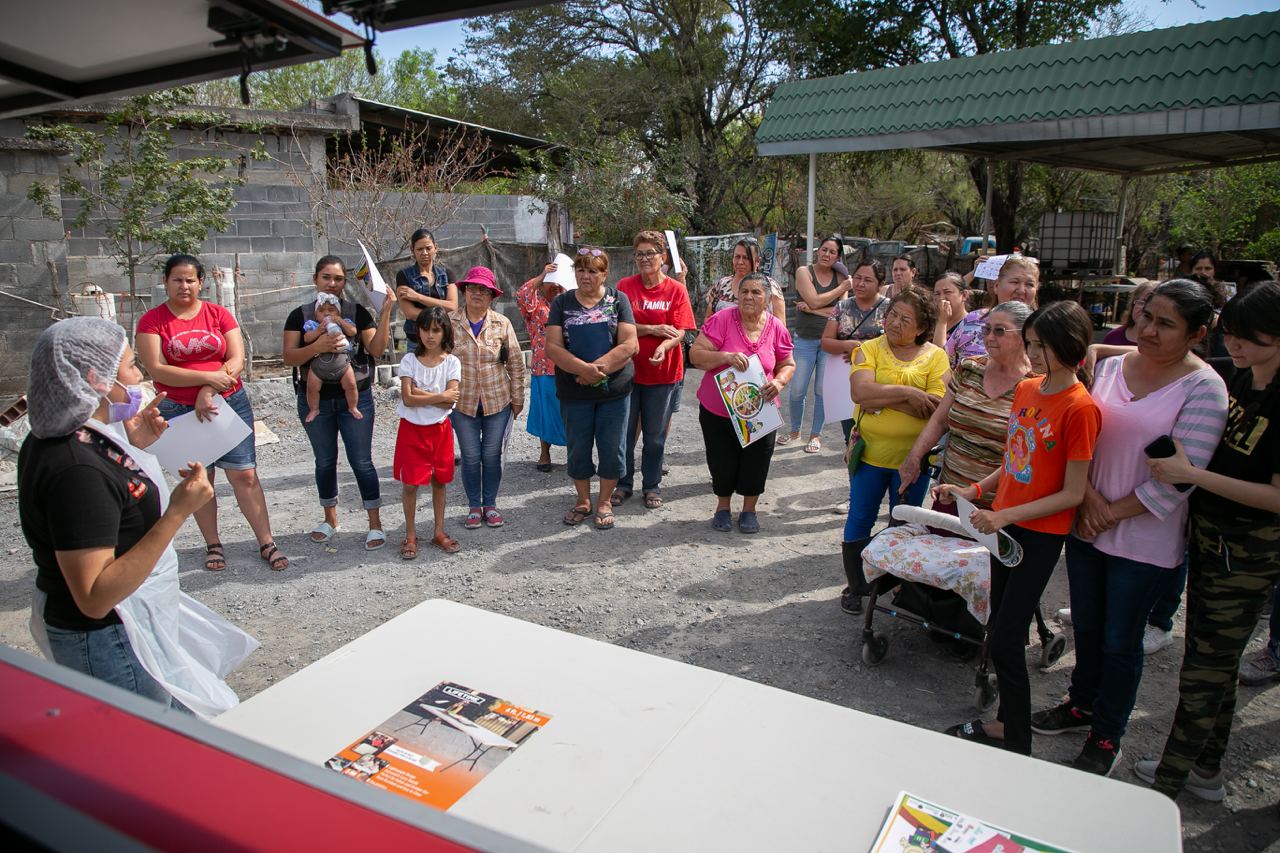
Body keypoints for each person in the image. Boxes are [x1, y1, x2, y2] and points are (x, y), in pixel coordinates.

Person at [1029, 280, 1228, 777]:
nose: (1148, 330)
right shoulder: (1113, 368)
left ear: (1198, 333)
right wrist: (1089, 499)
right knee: (1089, 629)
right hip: (1088, 523)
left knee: (1122, 640)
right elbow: (1085, 442)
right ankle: (1080, 705)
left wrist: (1107, 513)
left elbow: (1179, 479)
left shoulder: (1204, 388)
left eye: (1166, 324)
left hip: (1144, 538)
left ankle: (1106, 733)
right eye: (1146, 316)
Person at [18, 317, 257, 716]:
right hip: (109, 637)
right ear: (98, 380)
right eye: (131, 366)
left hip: (128, 624)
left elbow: (117, 502)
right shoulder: (75, 469)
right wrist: (179, 512)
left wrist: (139, 446)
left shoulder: (83, 433)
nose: (139, 376)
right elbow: (94, 596)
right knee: (149, 749)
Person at [938, 300, 1102, 757]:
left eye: (1041, 346)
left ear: (1070, 347)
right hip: (1004, 526)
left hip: (1038, 536)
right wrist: (972, 487)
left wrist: (1005, 515)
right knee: (998, 629)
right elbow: (1014, 460)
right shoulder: (1028, 390)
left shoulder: (1080, 408)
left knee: (1009, 639)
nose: (1034, 353)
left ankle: (1017, 740)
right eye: (1030, 344)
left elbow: (1072, 493)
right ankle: (1004, 725)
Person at [1138, 281, 1280, 801]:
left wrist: (1189, 475)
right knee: (1212, 662)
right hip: (1211, 540)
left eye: (1251, 338)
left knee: (1202, 672)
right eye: (1233, 334)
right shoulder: (1242, 380)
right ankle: (1207, 769)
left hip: (1246, 554)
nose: (1237, 346)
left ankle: (1169, 781)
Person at [136, 254, 287, 572]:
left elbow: (236, 359)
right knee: (202, 479)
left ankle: (266, 541)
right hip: (178, 409)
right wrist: (207, 378)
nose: (184, 285)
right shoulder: (153, 321)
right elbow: (157, 369)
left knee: (244, 474)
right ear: (166, 282)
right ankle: (213, 544)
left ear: (201, 282)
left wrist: (210, 391)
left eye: (190, 279)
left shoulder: (218, 314)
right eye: (177, 279)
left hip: (228, 403)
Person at [840, 287, 950, 613]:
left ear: (921, 328)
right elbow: (860, 392)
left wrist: (883, 399)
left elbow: (935, 408)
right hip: (871, 455)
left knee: (902, 524)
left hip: (914, 460)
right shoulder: (868, 348)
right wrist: (908, 394)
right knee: (860, 518)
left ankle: (895, 583)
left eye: (906, 319)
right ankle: (857, 587)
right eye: (892, 315)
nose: (895, 322)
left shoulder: (937, 356)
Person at [283, 255, 398, 550]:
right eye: (326, 278)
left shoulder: (356, 313)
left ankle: (375, 524)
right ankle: (330, 520)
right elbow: (289, 357)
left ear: (344, 282)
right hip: (315, 398)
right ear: (315, 280)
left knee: (362, 462)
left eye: (337, 279)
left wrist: (385, 311)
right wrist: (317, 347)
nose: (332, 284)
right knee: (324, 462)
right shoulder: (301, 315)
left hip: (355, 396)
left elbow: (375, 348)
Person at [899, 300, 1034, 514]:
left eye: (1000, 331)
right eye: (987, 329)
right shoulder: (969, 367)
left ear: (1025, 335)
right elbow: (940, 420)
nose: (989, 337)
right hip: (950, 496)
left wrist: (976, 490)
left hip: (1000, 508)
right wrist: (914, 456)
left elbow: (1027, 456)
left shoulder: (1036, 384)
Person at [689, 273, 795, 533]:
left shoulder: (776, 327)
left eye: (756, 292)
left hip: (761, 411)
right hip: (718, 409)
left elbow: (788, 364)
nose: (748, 297)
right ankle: (722, 507)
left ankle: (749, 510)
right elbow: (696, 354)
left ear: (768, 299)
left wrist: (780, 382)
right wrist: (725, 356)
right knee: (721, 459)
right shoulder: (722, 320)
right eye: (744, 291)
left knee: (757, 461)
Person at [545, 248, 639, 530]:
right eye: (581, 270)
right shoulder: (561, 303)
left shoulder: (618, 299)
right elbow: (553, 346)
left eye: (593, 271)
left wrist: (596, 370)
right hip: (575, 392)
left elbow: (629, 344)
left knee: (613, 448)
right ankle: (584, 501)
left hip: (614, 391)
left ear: (604, 274)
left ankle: (605, 501)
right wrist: (581, 370)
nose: (586, 276)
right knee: (578, 448)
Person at [615, 231, 697, 509]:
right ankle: (623, 484)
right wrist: (652, 329)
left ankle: (651, 485)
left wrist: (664, 346)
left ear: (663, 257)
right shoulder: (625, 286)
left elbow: (682, 330)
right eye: (640, 254)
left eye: (651, 253)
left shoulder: (676, 289)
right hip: (628, 372)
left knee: (654, 435)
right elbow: (618, 325)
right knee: (624, 433)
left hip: (664, 374)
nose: (645, 259)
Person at [449, 266, 526, 530]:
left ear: (492, 296)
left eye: (483, 290)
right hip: (463, 404)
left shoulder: (501, 324)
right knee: (470, 457)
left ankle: (490, 505)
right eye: (472, 288)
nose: (477, 294)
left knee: (492, 455)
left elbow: (516, 363)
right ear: (464, 292)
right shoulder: (450, 323)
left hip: (498, 401)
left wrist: (518, 399)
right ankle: (473, 506)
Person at [395, 308, 462, 559]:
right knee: (411, 484)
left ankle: (438, 531)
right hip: (412, 430)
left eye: (436, 329)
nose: (430, 335)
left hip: (439, 430)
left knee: (440, 481)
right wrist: (438, 395)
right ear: (418, 330)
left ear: (444, 331)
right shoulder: (409, 361)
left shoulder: (452, 362)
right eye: (425, 329)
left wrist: (422, 393)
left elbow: (449, 402)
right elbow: (407, 398)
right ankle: (410, 534)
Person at [783, 235, 851, 452]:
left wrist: (812, 309)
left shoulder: (840, 276)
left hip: (829, 343)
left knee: (822, 391)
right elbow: (814, 300)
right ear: (817, 251)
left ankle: (815, 435)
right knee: (797, 390)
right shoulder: (805, 271)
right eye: (824, 250)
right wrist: (839, 291)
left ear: (837, 256)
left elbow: (842, 312)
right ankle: (795, 431)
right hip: (804, 340)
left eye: (832, 252)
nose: (827, 254)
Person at [821, 259, 889, 441]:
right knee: (851, 435)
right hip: (846, 381)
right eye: (857, 278)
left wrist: (865, 350)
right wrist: (847, 345)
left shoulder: (891, 308)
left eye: (868, 280)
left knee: (880, 433)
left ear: (880, 284)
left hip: (881, 378)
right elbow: (826, 342)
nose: (860, 284)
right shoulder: (842, 307)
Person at [517, 259, 570, 472]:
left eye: (560, 282)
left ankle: (574, 453)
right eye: (551, 282)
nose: (556, 287)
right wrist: (541, 275)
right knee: (545, 412)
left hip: (569, 367)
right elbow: (521, 294)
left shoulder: (571, 304)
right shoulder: (536, 306)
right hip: (543, 368)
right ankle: (544, 452)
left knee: (571, 412)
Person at [945, 256, 1040, 366]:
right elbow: (944, 361)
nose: (1021, 290)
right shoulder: (973, 320)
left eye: (1030, 284)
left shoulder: (1042, 328)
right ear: (996, 286)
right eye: (1015, 282)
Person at [301, 294, 361, 422]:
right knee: (312, 388)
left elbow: (353, 331)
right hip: (319, 364)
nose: (326, 313)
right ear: (316, 315)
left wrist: (340, 321)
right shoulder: (313, 325)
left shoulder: (343, 323)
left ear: (338, 312)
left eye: (331, 310)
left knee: (351, 385)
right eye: (321, 311)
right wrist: (318, 330)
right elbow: (306, 338)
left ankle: (353, 407)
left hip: (342, 363)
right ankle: (314, 409)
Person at [395, 228, 457, 345]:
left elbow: (452, 306)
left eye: (428, 248)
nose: (424, 253)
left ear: (435, 248)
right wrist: (439, 317)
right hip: (416, 340)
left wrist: (417, 297)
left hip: (442, 340)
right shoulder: (404, 275)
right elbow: (410, 312)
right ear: (412, 250)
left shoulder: (447, 274)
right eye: (419, 249)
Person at [705, 238, 786, 318]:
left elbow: (780, 327)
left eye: (746, 258)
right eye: (737, 257)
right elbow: (708, 319)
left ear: (757, 261)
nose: (740, 262)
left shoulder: (771, 287)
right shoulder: (722, 284)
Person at [1101, 280, 1157, 347]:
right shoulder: (1114, 336)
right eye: (1142, 302)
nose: (1145, 309)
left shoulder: (1163, 342)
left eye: (1153, 304)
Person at [932, 272, 970, 354]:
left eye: (947, 292)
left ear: (964, 295)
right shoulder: (930, 322)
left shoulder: (972, 325)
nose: (941, 298)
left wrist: (942, 322)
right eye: (937, 294)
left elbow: (939, 358)